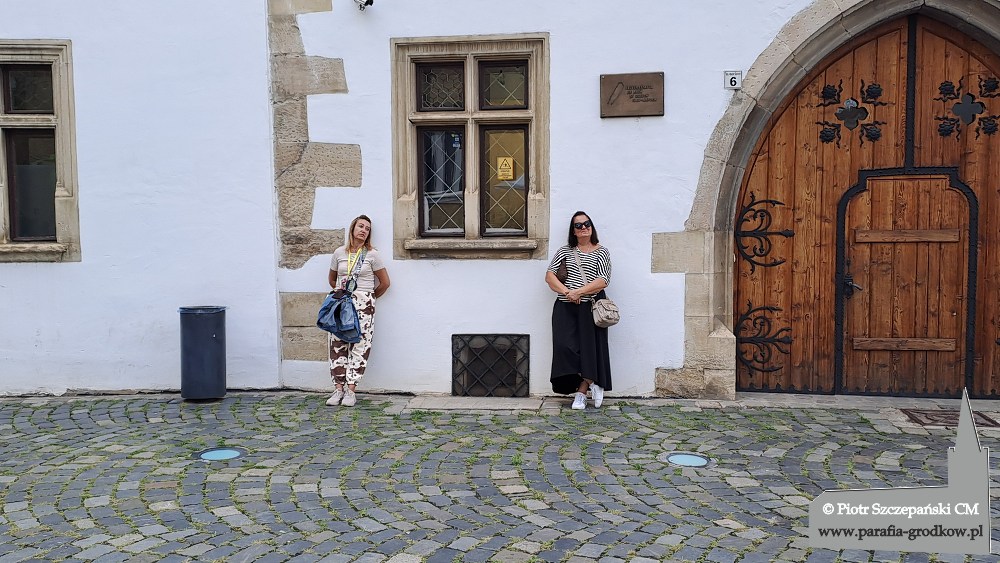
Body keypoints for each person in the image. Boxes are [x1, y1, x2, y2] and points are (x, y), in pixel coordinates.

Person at [545, 211, 613, 410]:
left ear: (592, 227)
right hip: (565, 307)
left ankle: (582, 392)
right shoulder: (565, 251)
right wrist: (567, 292)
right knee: (564, 347)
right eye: (578, 225)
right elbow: (550, 276)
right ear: (573, 231)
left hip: (589, 306)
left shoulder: (602, 252)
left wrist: (579, 292)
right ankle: (591, 383)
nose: (583, 227)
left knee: (589, 350)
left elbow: (603, 280)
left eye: (586, 224)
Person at [326, 215, 390, 407]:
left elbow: (385, 283)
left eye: (367, 228)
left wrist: (368, 298)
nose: (363, 230)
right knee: (337, 344)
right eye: (360, 226)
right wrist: (341, 293)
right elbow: (332, 279)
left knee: (360, 345)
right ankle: (338, 389)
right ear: (353, 228)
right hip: (341, 304)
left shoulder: (372, 255)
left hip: (363, 305)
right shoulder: (339, 253)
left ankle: (351, 391)